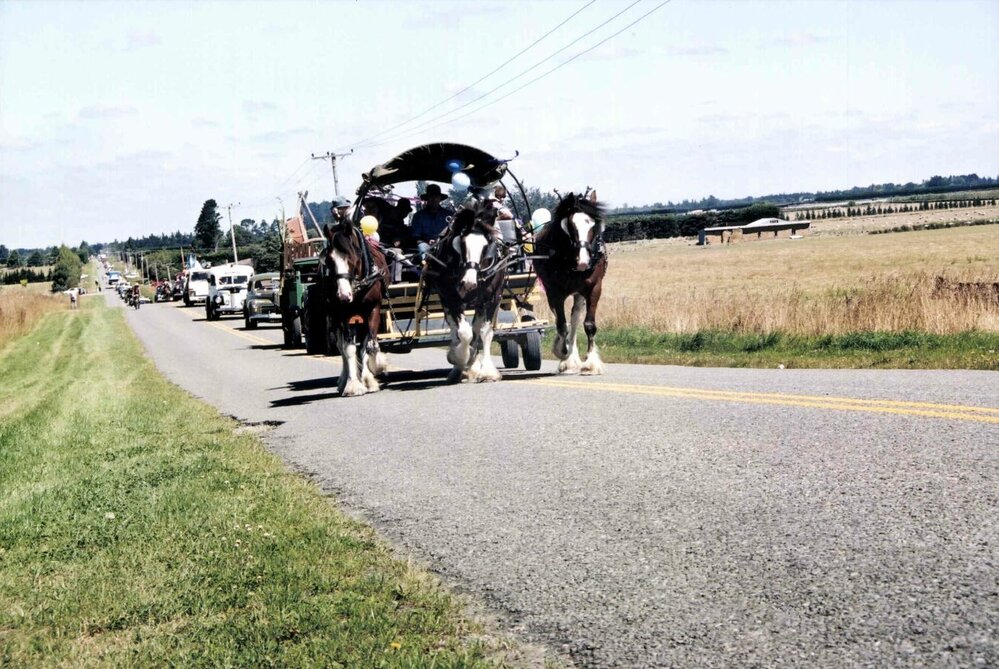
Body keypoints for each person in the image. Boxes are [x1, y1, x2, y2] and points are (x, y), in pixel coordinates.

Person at [411, 184, 451, 263]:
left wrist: (440, 242)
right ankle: (425, 268)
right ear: (427, 199)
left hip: (444, 246)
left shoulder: (449, 215)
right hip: (426, 245)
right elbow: (416, 238)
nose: (434, 199)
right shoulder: (418, 216)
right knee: (422, 248)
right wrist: (427, 241)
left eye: (436, 197)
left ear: (440, 199)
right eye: (431, 197)